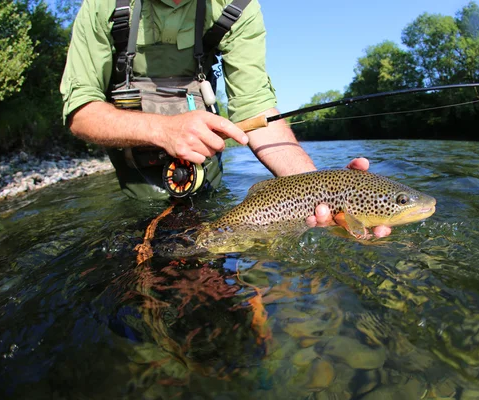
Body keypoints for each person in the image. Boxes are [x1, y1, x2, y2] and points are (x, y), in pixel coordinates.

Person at [60, 0, 391, 237]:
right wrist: (163, 130)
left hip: (208, 190)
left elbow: (256, 109)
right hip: (136, 196)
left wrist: (324, 190)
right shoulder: (103, 6)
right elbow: (80, 111)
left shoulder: (237, 7)